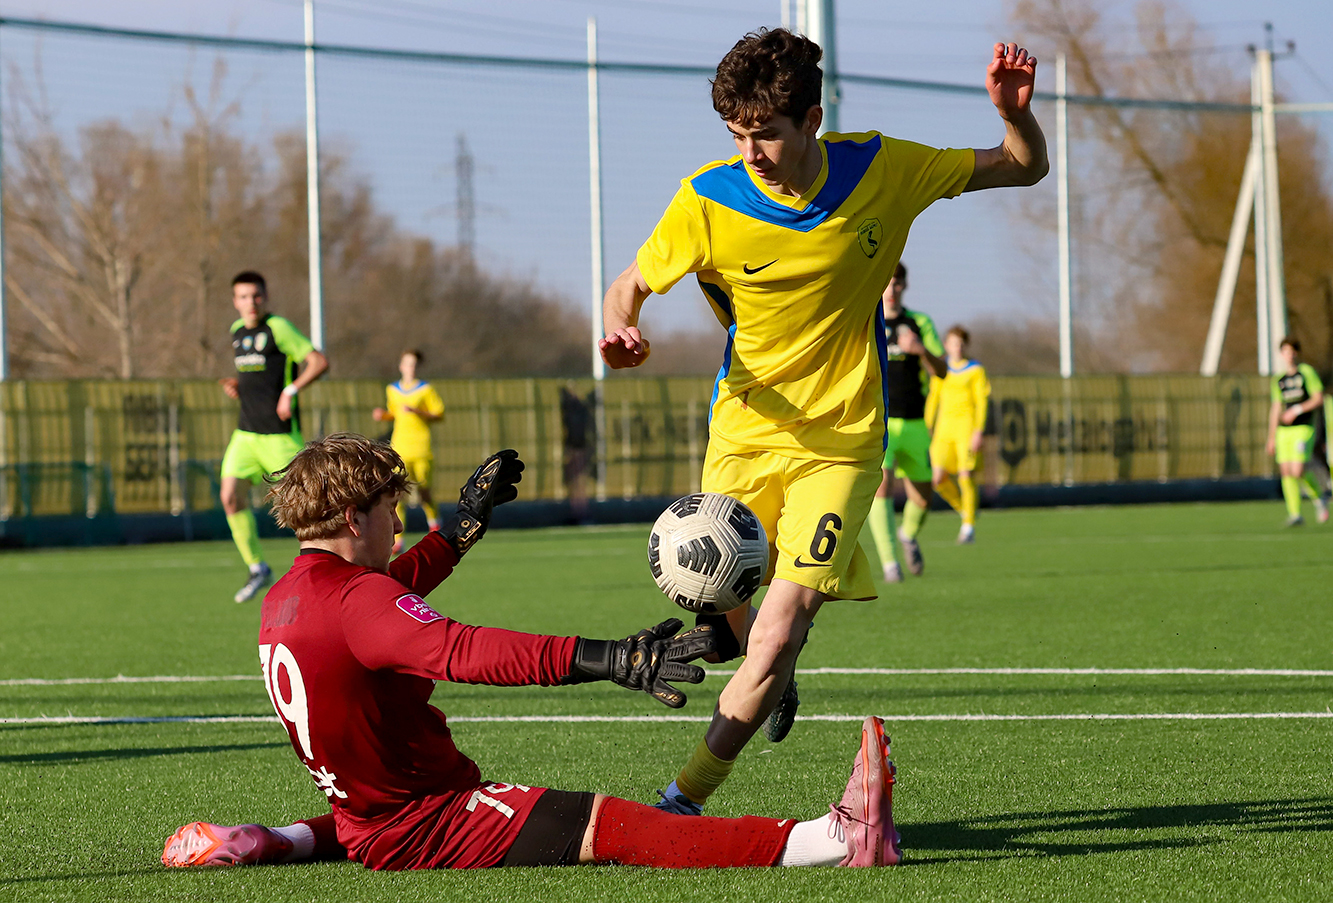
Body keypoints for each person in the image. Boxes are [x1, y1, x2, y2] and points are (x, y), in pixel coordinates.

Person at [598, 27, 1046, 816]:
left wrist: (1015, 116)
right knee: (730, 622)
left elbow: (1021, 167)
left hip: (839, 442)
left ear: (810, 120)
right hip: (741, 432)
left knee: (775, 633)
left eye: (765, 132)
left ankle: (681, 800)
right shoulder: (706, 197)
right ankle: (769, 669)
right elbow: (629, 282)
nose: (750, 151)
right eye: (736, 134)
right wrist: (620, 328)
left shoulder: (883, 167)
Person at [160, 434, 900, 870]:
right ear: (354, 515)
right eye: (390, 511)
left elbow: (385, 598)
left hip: (364, 813)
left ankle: (264, 840)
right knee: (611, 824)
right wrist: (612, 657)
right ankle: (829, 839)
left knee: (364, 828)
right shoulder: (360, 602)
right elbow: (465, 649)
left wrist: (460, 531)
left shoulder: (288, 595)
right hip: (426, 816)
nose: (395, 525)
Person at [219, 271, 328, 603]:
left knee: (307, 512)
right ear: (234, 301)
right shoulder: (237, 332)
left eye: (256, 296)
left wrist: (290, 391)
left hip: (279, 436)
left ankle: (328, 572)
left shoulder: (277, 328)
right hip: (246, 435)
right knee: (229, 497)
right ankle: (257, 568)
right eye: (243, 297)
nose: (250, 303)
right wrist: (240, 388)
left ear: (265, 297)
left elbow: (318, 361)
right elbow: (260, 375)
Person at [866, 263, 946, 581]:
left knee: (923, 495)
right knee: (881, 489)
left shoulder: (919, 322)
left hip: (915, 423)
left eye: (897, 283)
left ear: (904, 286)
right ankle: (890, 564)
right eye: (887, 282)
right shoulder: (867, 320)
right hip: (879, 422)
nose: (892, 289)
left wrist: (920, 350)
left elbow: (942, 370)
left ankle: (908, 534)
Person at [372, 349, 445, 553]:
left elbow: (439, 414)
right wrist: (383, 415)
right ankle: (398, 539)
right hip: (400, 447)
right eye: (407, 363)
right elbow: (395, 414)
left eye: (413, 364)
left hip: (421, 446)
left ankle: (435, 525)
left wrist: (418, 411)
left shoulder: (426, 389)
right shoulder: (392, 389)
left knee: (424, 491)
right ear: (401, 366)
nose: (410, 368)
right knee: (396, 493)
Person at [925, 325, 991, 544]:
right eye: (954, 343)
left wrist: (978, 431)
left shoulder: (975, 369)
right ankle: (966, 510)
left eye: (962, 344)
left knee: (965, 476)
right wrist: (926, 425)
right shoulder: (941, 368)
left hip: (967, 428)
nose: (958, 347)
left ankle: (968, 527)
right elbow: (933, 398)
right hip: (944, 430)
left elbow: (981, 402)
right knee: (937, 479)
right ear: (947, 345)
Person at [1265, 337, 1328, 526]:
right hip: (1284, 432)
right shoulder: (1279, 379)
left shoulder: (1306, 373)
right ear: (1281, 354)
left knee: (1298, 469)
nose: (1289, 355)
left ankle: (1320, 497)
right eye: (1285, 351)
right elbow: (1276, 408)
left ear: (1297, 353)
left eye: (1292, 351)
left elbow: (1318, 398)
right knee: (1286, 470)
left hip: (1304, 428)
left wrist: (1297, 409)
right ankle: (1295, 514)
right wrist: (1271, 437)